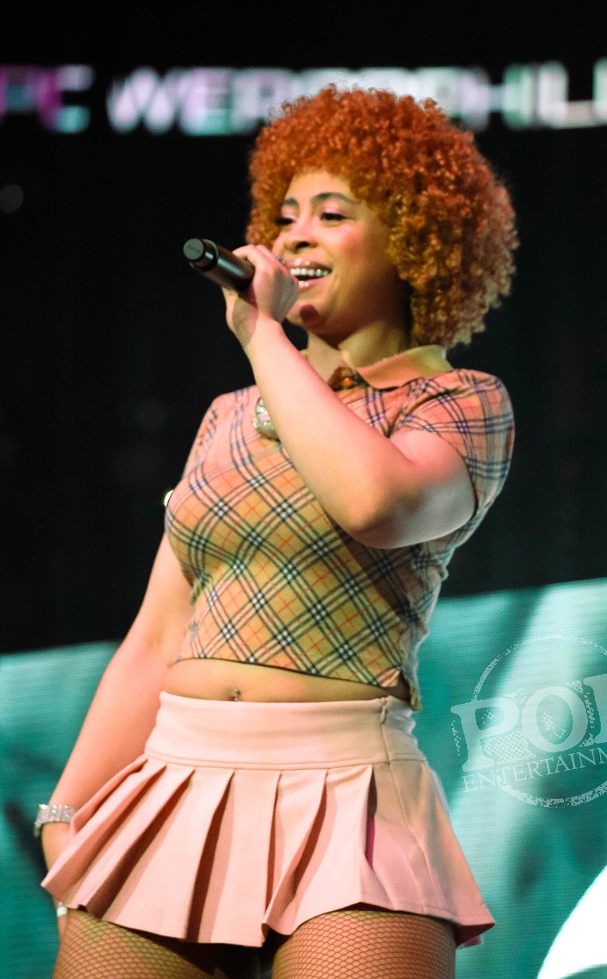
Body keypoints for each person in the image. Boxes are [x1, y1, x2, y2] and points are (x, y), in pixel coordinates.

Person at [40, 85, 518, 979]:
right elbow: (158, 634)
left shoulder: (458, 402)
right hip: (177, 778)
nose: (296, 237)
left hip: (348, 792)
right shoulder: (227, 414)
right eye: (286, 216)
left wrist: (264, 337)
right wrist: (67, 811)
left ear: (413, 240)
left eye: (331, 214)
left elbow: (375, 503)